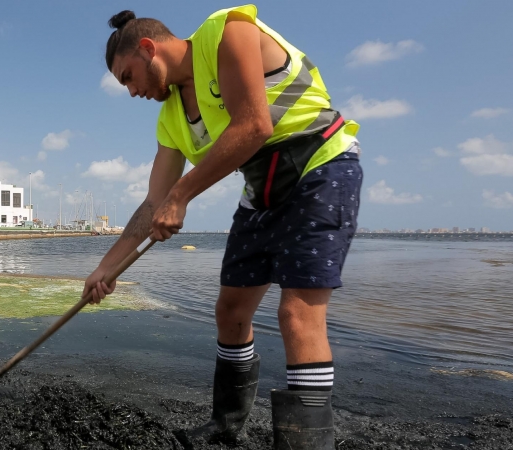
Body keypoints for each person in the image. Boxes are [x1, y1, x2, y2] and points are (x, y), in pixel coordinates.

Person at [84, 5, 363, 449]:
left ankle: (306, 444)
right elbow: (153, 202)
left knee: (296, 314)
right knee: (230, 311)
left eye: (128, 77)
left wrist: (182, 195)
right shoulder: (171, 118)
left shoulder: (226, 30)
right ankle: (225, 426)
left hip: (320, 167)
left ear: (149, 48)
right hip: (261, 190)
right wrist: (106, 268)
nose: (131, 91)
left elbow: (254, 125)